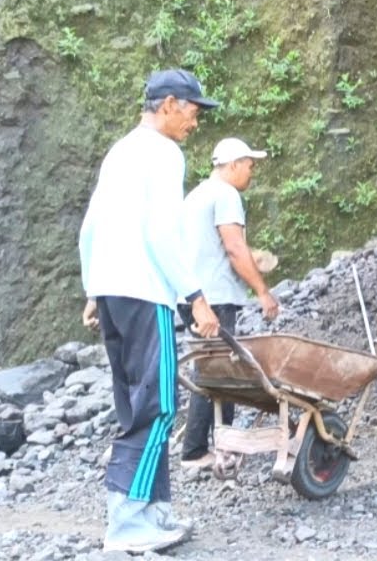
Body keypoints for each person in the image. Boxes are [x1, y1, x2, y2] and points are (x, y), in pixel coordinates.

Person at [78, 68, 222, 554]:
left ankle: (155, 513)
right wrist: (195, 296)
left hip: (113, 292)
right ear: (168, 105)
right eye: (193, 111)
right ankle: (127, 525)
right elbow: (162, 233)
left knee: (134, 406)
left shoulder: (121, 151)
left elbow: (91, 225)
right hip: (145, 290)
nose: (195, 122)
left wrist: (94, 289)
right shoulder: (163, 153)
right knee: (158, 407)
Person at [179, 137, 280, 469]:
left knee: (211, 370)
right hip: (215, 299)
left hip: (191, 296)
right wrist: (262, 292)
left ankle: (209, 447)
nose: (252, 172)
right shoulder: (226, 195)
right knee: (220, 374)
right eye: (249, 165)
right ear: (234, 164)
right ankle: (203, 450)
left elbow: (213, 248)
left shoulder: (197, 195)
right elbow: (234, 248)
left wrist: (254, 259)